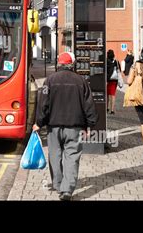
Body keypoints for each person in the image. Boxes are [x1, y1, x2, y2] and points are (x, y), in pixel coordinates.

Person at [33, 52, 98, 201]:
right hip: (75, 127)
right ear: (72, 65)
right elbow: (89, 105)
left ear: (58, 64)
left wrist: (39, 122)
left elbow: (43, 104)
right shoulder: (81, 81)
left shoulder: (49, 80)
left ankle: (58, 184)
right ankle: (67, 189)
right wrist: (89, 125)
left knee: (54, 156)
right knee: (72, 157)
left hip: (53, 127)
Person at [106, 49, 121, 115]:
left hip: (108, 80)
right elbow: (119, 70)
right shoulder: (116, 61)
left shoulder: (106, 61)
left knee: (107, 95)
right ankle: (112, 110)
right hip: (114, 80)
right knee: (113, 95)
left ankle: (106, 108)